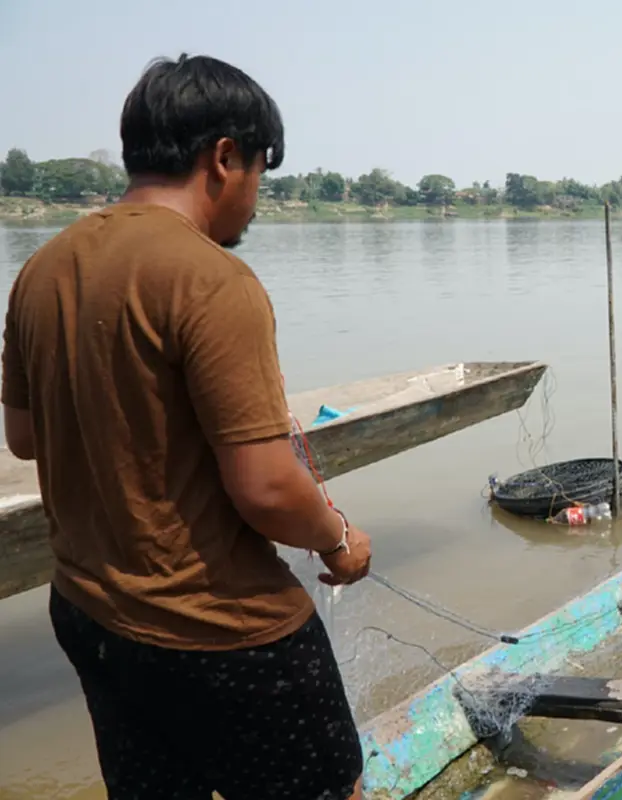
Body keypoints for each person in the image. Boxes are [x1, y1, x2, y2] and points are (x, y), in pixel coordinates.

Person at [1, 54, 373, 800]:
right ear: (224, 157)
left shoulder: (42, 269)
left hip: (89, 614)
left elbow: (26, 438)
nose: (256, 199)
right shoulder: (212, 280)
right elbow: (268, 490)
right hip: (223, 633)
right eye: (260, 173)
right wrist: (339, 540)